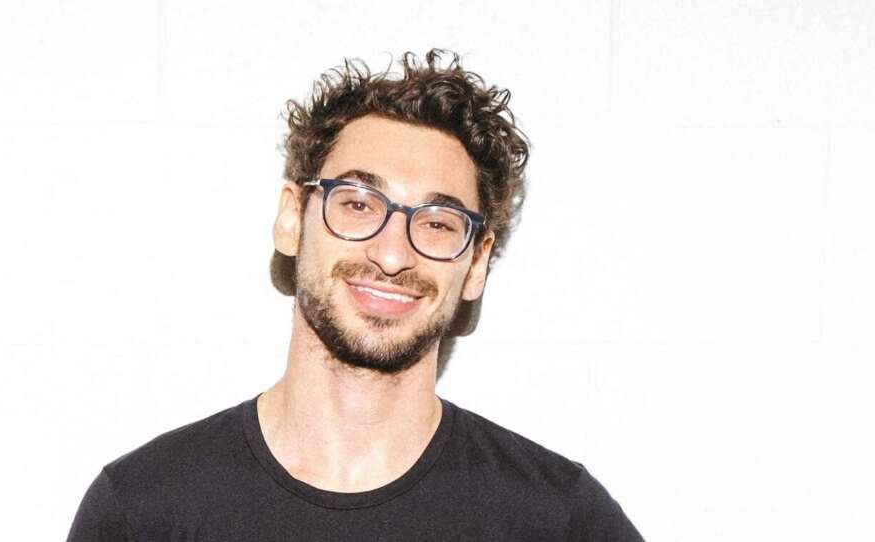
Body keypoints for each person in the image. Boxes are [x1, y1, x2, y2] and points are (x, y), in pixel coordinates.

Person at [67, 50, 644, 541]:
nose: (393, 255)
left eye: (439, 223)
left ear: (476, 264)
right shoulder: (144, 510)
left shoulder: (557, 521)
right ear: (293, 218)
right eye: (358, 204)